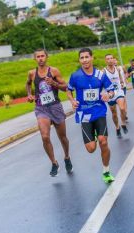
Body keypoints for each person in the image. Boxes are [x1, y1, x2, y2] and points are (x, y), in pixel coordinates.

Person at [67, 48, 116, 184]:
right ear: (79, 60)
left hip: (99, 111)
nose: (84, 60)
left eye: (87, 57)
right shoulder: (75, 76)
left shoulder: (100, 75)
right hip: (84, 114)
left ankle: (106, 171)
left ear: (92, 58)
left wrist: (108, 95)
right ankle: (95, 136)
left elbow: (111, 90)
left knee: (103, 141)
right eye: (82, 58)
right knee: (91, 149)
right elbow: (69, 90)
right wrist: (72, 101)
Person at [26, 49, 73, 177]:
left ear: (46, 57)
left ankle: (67, 157)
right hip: (41, 108)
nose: (40, 58)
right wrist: (29, 95)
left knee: (63, 137)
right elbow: (28, 84)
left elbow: (66, 87)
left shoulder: (54, 71)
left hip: (55, 106)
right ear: (35, 59)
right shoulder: (32, 73)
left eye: (42, 56)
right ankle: (54, 163)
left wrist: (54, 83)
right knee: (45, 137)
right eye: (38, 56)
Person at [103, 54, 128, 138]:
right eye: (108, 59)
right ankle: (117, 128)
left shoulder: (117, 69)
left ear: (113, 59)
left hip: (119, 92)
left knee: (122, 108)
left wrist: (121, 82)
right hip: (110, 94)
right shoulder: (103, 71)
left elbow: (120, 78)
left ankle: (123, 124)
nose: (110, 60)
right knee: (114, 113)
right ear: (105, 61)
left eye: (111, 58)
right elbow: (100, 82)